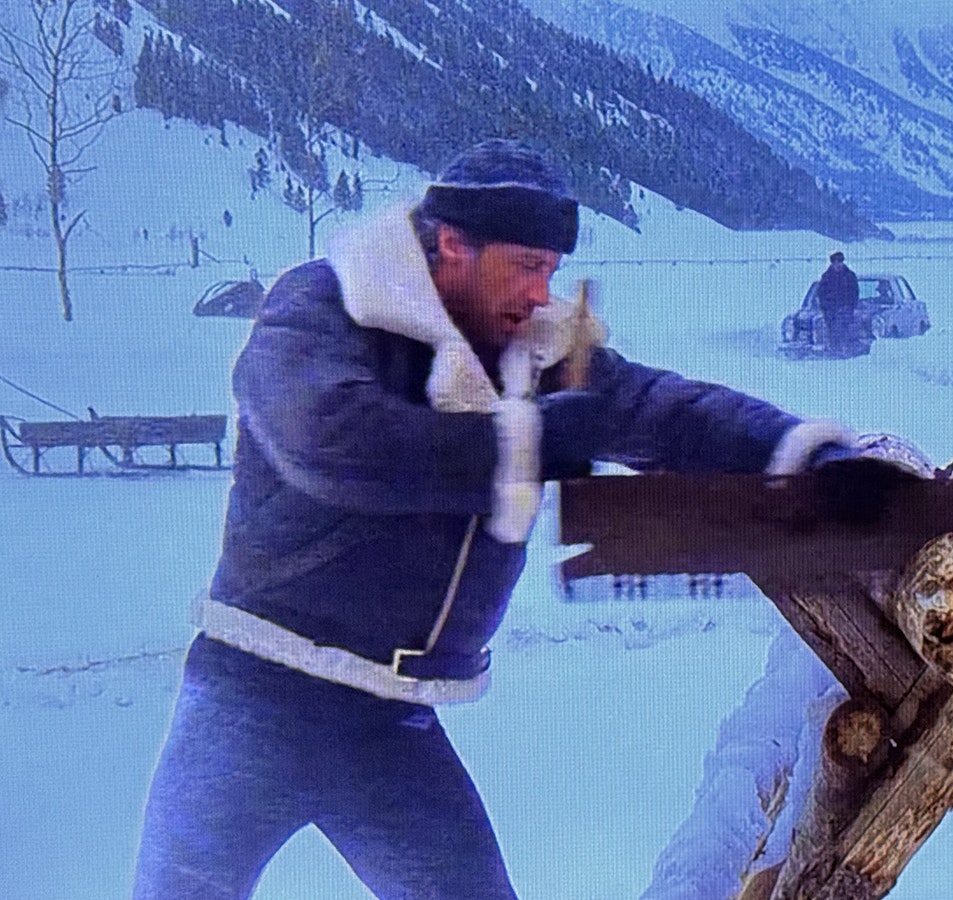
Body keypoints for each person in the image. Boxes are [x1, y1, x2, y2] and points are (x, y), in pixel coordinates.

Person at [132, 139, 865, 899]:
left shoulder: (529, 347)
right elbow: (333, 439)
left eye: (552, 270)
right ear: (453, 245)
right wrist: (526, 440)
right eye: (525, 266)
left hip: (390, 725)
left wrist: (795, 449)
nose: (542, 293)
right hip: (252, 699)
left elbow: (660, 409)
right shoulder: (323, 306)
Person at [816, 249, 865, 357]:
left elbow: (855, 293)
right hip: (830, 312)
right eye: (836, 262)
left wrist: (850, 307)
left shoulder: (850, 276)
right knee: (832, 332)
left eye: (840, 261)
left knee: (844, 332)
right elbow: (821, 294)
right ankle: (833, 351)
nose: (838, 264)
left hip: (846, 310)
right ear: (832, 263)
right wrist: (826, 309)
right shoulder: (826, 277)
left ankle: (845, 352)